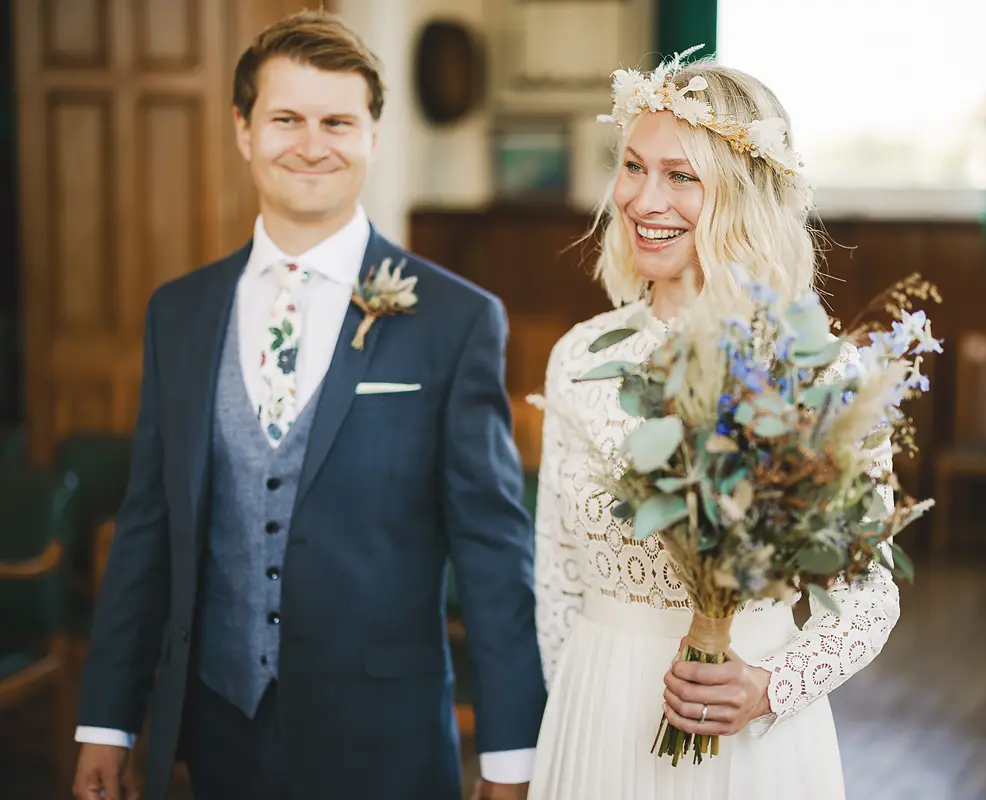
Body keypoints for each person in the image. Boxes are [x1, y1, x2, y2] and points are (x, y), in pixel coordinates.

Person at [71, 11, 544, 800]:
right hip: (217, 732)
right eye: (286, 118)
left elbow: (495, 555)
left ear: (373, 135)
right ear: (244, 130)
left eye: (337, 121)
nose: (311, 143)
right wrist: (105, 723)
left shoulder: (457, 320)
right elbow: (148, 524)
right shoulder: (179, 313)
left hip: (385, 743)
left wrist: (510, 758)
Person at [529, 48, 900, 799]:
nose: (642, 198)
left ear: (745, 196)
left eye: (681, 176)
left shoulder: (817, 375)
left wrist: (769, 687)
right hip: (595, 715)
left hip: (749, 730)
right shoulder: (579, 359)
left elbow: (871, 595)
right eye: (633, 167)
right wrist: (581, 710)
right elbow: (557, 573)